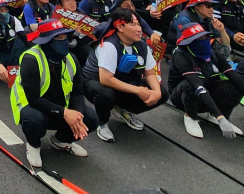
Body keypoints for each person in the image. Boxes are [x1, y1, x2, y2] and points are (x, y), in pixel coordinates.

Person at [169, 22, 244, 140]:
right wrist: (221, 118)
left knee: (235, 85)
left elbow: (239, 81)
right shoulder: (181, 55)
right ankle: (191, 116)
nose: (204, 40)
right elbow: (198, 87)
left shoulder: (213, 55)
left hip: (207, 89)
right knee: (191, 85)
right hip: (182, 96)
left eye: (205, 37)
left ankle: (215, 114)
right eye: (199, 39)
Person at [10, 19, 93, 168]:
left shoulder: (71, 59)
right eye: (59, 38)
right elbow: (34, 99)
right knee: (34, 120)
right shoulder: (31, 59)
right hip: (33, 105)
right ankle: (33, 144)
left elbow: (78, 93)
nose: (65, 41)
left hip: (58, 105)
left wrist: (77, 117)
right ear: (46, 41)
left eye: (65, 37)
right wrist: (65, 113)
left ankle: (62, 141)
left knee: (91, 118)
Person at [83, 9, 163, 143]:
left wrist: (157, 92)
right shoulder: (109, 45)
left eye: (139, 24)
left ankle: (123, 108)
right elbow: (105, 79)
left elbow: (150, 72)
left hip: (123, 81)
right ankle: (102, 122)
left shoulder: (142, 45)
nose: (139, 29)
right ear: (120, 27)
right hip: (96, 82)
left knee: (163, 93)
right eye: (133, 24)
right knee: (105, 94)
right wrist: (137, 90)